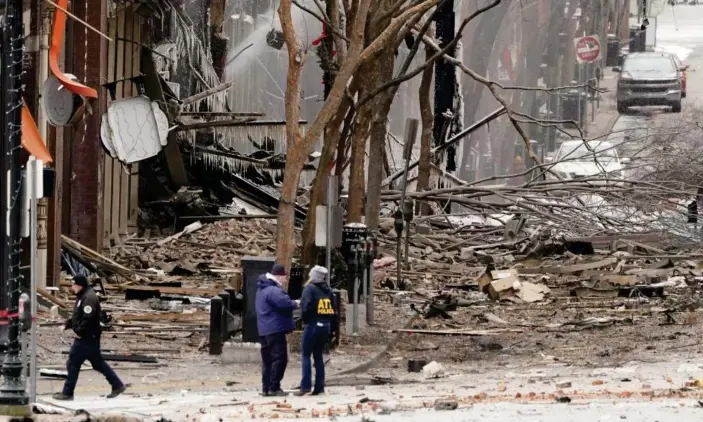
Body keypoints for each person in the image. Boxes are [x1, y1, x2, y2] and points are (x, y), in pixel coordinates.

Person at [53, 276, 126, 401]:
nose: (72, 287)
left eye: (74, 285)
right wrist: (67, 324)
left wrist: (79, 332)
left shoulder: (89, 298)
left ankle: (67, 392)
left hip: (86, 337)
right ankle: (117, 385)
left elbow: (88, 318)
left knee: (73, 362)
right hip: (88, 336)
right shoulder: (83, 296)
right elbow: (78, 315)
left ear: (80, 285)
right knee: (97, 363)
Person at [256, 264, 299, 397]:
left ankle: (266, 388)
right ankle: (274, 387)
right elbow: (285, 304)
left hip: (264, 329)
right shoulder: (273, 290)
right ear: (280, 276)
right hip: (275, 329)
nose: (286, 280)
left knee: (267, 360)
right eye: (285, 277)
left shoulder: (261, 289)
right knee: (280, 358)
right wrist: (296, 303)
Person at [295, 265, 334, 396]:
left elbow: (305, 308)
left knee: (306, 355)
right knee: (318, 356)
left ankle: (305, 386)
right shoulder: (328, 290)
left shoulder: (309, 289)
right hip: (325, 325)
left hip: (312, 325)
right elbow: (334, 310)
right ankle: (319, 386)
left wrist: (303, 320)